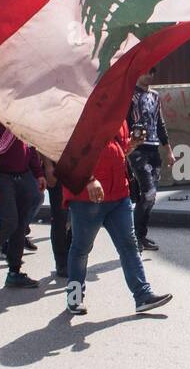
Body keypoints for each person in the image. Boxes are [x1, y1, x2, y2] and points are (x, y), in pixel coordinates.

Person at [62, 120, 172, 317]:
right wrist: (89, 179)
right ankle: (74, 298)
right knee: (81, 248)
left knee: (129, 245)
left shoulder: (119, 115)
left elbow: (117, 150)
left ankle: (142, 296)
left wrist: (131, 145)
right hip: (87, 198)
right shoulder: (83, 110)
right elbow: (70, 151)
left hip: (118, 195)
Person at [0, 105, 45, 289]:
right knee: (10, 221)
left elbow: (29, 142)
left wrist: (37, 172)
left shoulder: (20, 106)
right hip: (2, 175)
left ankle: (14, 271)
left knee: (22, 220)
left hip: (24, 172)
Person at [126, 67, 172, 251]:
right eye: (145, 72)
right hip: (137, 149)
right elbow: (123, 120)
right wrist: (127, 146)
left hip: (153, 148)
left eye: (152, 72)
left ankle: (141, 235)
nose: (149, 75)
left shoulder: (155, 95)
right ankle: (135, 237)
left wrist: (168, 149)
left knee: (151, 198)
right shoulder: (130, 95)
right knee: (147, 193)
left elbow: (160, 122)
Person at [42, 157, 71, 279]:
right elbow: (44, 140)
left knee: (78, 217)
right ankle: (61, 262)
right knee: (60, 217)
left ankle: (72, 258)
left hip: (78, 167)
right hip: (56, 166)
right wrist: (48, 166)